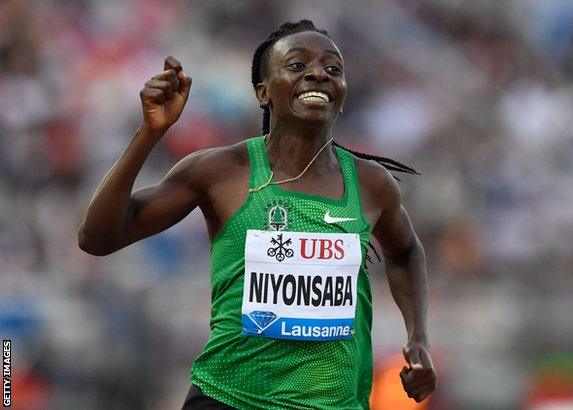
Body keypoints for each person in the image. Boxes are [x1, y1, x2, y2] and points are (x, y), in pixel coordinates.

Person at [77, 20, 436, 409]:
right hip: (230, 397)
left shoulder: (371, 183)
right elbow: (97, 238)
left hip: (334, 402)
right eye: (297, 65)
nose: (319, 73)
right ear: (263, 92)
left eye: (333, 69)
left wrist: (417, 336)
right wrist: (149, 133)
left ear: (343, 94)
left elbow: (406, 252)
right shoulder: (220, 171)